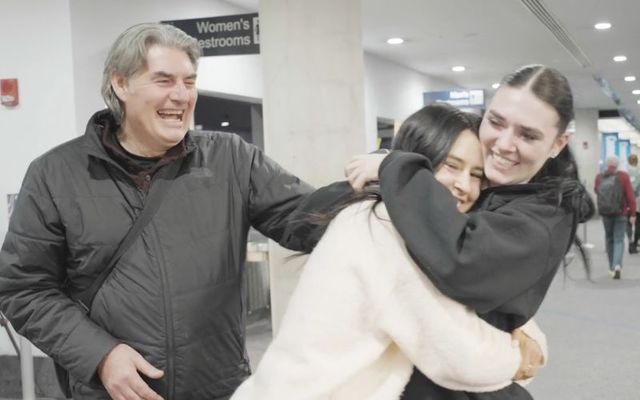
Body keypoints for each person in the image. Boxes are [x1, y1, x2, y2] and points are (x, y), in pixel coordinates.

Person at [0, 23, 342, 400]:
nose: (181, 96)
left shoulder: (231, 159)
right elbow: (24, 289)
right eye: (163, 80)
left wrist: (389, 185)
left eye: (189, 82)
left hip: (217, 388)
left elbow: (310, 218)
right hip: (111, 393)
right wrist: (100, 355)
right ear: (120, 84)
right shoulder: (56, 174)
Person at [231, 103, 546, 400]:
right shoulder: (383, 225)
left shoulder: (417, 226)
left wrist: (527, 335)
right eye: (452, 165)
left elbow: (463, 302)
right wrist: (520, 356)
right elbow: (457, 351)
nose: (463, 185)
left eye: (476, 175)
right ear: (412, 164)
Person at [347, 64, 594, 399]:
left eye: (528, 135)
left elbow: (465, 261)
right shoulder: (492, 187)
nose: (505, 144)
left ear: (558, 143)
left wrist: (396, 170)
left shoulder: (547, 213)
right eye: (495, 122)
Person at [595, 155, 636, 279]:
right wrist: (633, 214)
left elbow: (597, 191)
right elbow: (630, 197)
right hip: (621, 213)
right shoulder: (623, 176)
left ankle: (611, 267)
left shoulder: (599, 177)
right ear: (617, 165)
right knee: (619, 239)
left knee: (609, 238)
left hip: (605, 213)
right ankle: (617, 265)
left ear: (607, 164)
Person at [625, 154, 640, 253]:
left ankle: (630, 241)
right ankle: (635, 243)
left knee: (628, 222)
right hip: (637, 200)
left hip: (626, 200)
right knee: (638, 223)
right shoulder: (639, 173)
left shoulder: (625, 173)